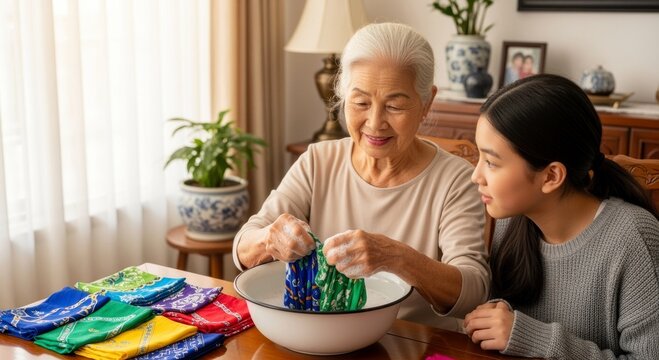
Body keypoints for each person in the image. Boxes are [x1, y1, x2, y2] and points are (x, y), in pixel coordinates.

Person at [232, 22, 490, 330]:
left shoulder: (456, 180)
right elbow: (244, 247)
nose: (375, 122)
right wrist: (269, 239)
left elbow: (473, 290)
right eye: (361, 103)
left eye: (394, 105)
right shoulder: (319, 160)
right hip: (320, 337)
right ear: (343, 98)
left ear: (427, 103)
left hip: (412, 344)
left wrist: (397, 258)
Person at [465, 74, 659, 358]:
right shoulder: (513, 219)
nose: (475, 176)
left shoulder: (634, 239)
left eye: (492, 162)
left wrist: (535, 339)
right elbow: (507, 317)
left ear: (552, 175)